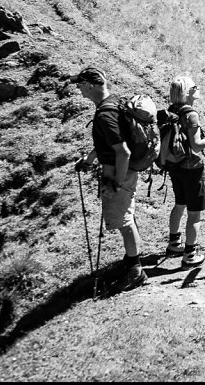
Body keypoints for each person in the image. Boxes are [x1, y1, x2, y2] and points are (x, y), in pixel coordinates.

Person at [72, 66, 147, 292]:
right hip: (120, 170)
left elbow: (122, 151)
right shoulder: (113, 103)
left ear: (91, 85)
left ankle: (135, 271)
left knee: (123, 219)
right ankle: (131, 259)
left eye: (80, 84)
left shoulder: (105, 114)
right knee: (127, 215)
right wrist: (89, 159)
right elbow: (107, 142)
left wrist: (116, 183)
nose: (78, 88)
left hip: (118, 172)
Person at [164, 76, 205, 268]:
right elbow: (197, 146)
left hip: (175, 166)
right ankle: (190, 254)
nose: (197, 89)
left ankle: (174, 244)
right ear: (187, 92)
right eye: (195, 87)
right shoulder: (191, 115)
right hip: (192, 168)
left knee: (179, 204)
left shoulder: (171, 110)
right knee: (194, 213)